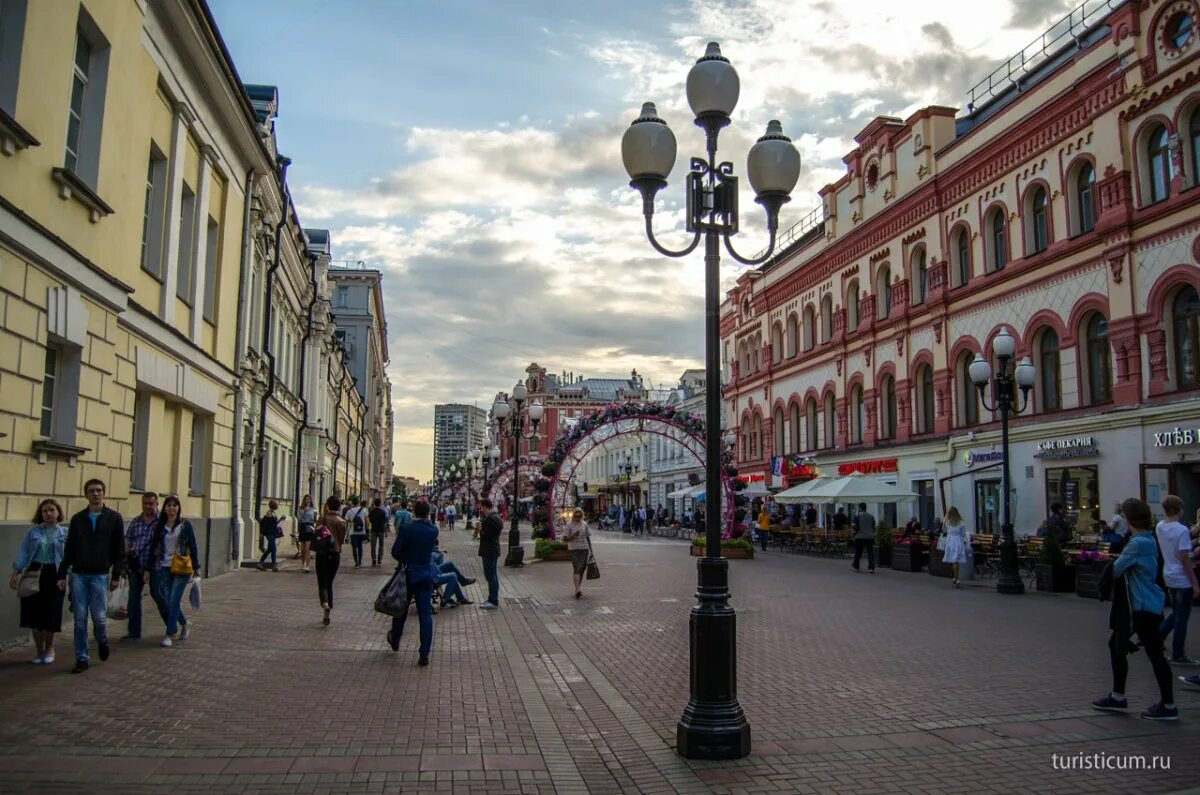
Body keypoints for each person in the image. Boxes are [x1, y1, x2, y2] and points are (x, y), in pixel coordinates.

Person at [1092, 498, 1177, 720]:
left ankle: (1166, 705)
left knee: (1153, 653)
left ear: (1128, 520)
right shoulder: (1149, 539)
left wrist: (1113, 561)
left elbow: (1118, 569)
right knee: (1124, 646)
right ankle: (1119, 695)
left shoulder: (1138, 542)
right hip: (1148, 603)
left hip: (1140, 605)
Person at [57, 479, 125, 674]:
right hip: (79, 574)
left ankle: (102, 641)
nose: (95, 494)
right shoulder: (78, 519)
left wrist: (116, 575)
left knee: (100, 618)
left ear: (104, 493)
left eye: (99, 490)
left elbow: (119, 549)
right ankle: (82, 658)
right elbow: (69, 549)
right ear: (86, 494)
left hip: (100, 575)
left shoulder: (114, 518)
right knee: (79, 619)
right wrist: (62, 573)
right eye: (91, 491)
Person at [10, 498, 68, 665]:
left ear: (58, 513)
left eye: (51, 510)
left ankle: (49, 648)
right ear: (40, 514)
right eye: (44, 511)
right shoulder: (33, 532)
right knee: (33, 614)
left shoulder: (65, 533)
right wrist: (16, 573)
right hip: (34, 573)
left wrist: (65, 576)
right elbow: (23, 553)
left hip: (55, 574)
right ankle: (39, 650)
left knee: (51, 614)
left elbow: (68, 558)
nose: (48, 513)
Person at [388, 500, 438, 665]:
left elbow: (396, 551)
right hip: (426, 576)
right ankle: (424, 653)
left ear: (414, 512)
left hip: (408, 574)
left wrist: (405, 558)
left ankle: (395, 638)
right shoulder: (433, 530)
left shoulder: (407, 529)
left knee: (401, 608)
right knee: (425, 615)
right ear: (428, 513)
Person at [148, 495, 200, 647]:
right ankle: (184, 623)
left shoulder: (185, 525)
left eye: (175, 505)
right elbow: (153, 547)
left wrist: (197, 567)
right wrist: (148, 568)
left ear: (178, 508)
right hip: (164, 567)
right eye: (169, 505)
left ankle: (170, 633)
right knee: (168, 600)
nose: (172, 508)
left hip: (182, 567)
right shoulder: (160, 525)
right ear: (164, 508)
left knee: (173, 599)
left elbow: (193, 545)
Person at [1157, 495, 1200, 666]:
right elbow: (1184, 558)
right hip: (1182, 577)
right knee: (1182, 616)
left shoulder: (1160, 527)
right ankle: (1178, 653)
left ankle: (1157, 638)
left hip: (1168, 574)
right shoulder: (1181, 530)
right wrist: (1195, 582)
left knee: (1176, 612)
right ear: (1179, 509)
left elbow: (1174, 542)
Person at [123, 492, 160, 641]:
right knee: (133, 599)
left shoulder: (161, 522)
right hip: (136, 566)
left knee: (159, 596)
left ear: (157, 504)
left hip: (155, 568)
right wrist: (128, 554)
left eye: (151, 503)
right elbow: (128, 540)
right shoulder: (136, 521)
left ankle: (173, 626)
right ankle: (134, 632)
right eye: (145, 503)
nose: (147, 506)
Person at [314, 497, 347, 626]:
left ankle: (325, 604)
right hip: (335, 554)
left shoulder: (323, 518)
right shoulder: (342, 522)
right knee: (330, 583)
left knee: (322, 582)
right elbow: (341, 539)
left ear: (327, 505)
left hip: (322, 553)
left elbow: (317, 533)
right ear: (339, 507)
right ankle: (327, 614)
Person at [477, 498, 502, 609]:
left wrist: (479, 529)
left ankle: (493, 600)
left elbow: (486, 535)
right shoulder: (495, 517)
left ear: (485, 506)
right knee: (492, 575)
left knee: (490, 575)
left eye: (481, 507)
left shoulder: (491, 519)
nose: (481, 509)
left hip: (489, 550)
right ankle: (492, 599)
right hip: (492, 550)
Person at [563, 509, 592, 599]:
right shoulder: (569, 525)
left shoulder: (584, 524)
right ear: (573, 516)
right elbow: (565, 539)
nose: (578, 518)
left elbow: (588, 537)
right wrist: (573, 535)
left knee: (582, 568)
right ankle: (577, 589)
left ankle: (577, 588)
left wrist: (591, 550)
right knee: (577, 568)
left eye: (580, 516)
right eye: (576, 516)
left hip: (584, 548)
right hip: (574, 548)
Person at [940, 507, 970, 588]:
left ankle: (955, 577)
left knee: (954, 561)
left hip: (950, 541)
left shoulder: (947, 522)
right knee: (957, 560)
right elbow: (963, 533)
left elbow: (944, 531)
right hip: (958, 541)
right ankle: (957, 577)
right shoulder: (960, 523)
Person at [851, 503, 876, 573]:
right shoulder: (871, 516)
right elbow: (873, 526)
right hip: (869, 537)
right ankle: (871, 567)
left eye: (858, 507)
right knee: (870, 552)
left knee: (858, 552)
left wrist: (854, 531)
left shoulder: (857, 515)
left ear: (860, 508)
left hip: (859, 536)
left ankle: (856, 566)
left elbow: (854, 526)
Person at [257, 500, 281, 572]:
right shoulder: (269, 513)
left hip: (273, 533)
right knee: (274, 549)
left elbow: (274, 523)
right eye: (277, 504)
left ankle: (260, 563)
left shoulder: (273, 513)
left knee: (269, 549)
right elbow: (263, 523)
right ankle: (274, 565)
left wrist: (280, 519)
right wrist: (261, 533)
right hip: (269, 534)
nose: (278, 505)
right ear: (274, 505)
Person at [297, 495, 317, 574]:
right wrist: (304, 511)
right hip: (302, 527)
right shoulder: (300, 508)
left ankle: (307, 566)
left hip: (310, 527)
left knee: (308, 549)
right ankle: (303, 563)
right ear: (304, 500)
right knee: (302, 549)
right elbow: (299, 519)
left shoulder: (313, 509)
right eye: (306, 499)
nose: (308, 501)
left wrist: (315, 517)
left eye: (309, 499)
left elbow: (315, 521)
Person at [347, 499, 369, 568]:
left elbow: (346, 522)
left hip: (353, 532)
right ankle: (360, 561)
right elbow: (366, 522)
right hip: (361, 531)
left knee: (354, 547)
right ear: (358, 503)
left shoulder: (349, 511)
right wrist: (366, 529)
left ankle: (356, 563)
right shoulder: (363, 510)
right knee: (360, 546)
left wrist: (346, 532)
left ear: (352, 503)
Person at [369, 498, 389, 567]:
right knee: (381, 545)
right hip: (381, 530)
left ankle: (374, 559)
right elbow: (385, 523)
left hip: (373, 530)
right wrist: (386, 532)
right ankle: (379, 559)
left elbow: (370, 521)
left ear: (374, 503)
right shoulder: (383, 512)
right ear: (380, 504)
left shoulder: (371, 512)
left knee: (373, 546)